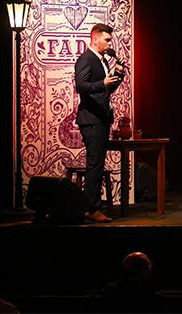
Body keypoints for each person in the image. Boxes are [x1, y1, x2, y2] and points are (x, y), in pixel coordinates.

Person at [75, 23, 124, 223]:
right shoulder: (86, 59)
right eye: (106, 39)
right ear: (94, 39)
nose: (109, 43)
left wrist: (117, 75)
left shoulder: (102, 61)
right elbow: (81, 85)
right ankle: (91, 209)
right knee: (95, 165)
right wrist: (102, 83)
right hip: (91, 119)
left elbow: (106, 91)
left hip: (101, 119)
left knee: (97, 164)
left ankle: (91, 207)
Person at [98, 251, 163, 313]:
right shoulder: (150, 293)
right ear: (143, 269)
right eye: (148, 267)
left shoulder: (111, 290)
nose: (150, 270)